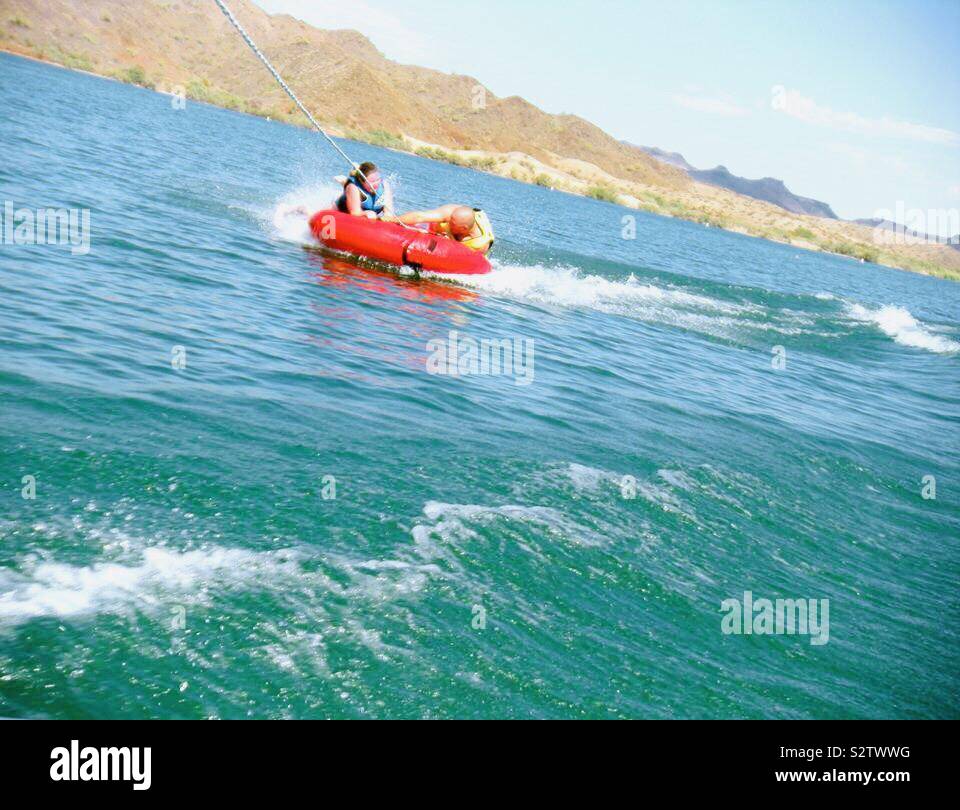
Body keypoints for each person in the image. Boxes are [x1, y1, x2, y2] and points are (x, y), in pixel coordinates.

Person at [398, 205, 494, 254]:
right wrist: (391, 220)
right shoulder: (452, 213)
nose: (448, 222)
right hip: (466, 217)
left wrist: (450, 239)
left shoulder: (479, 245)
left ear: (463, 229)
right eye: (450, 219)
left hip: (471, 245)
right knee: (438, 223)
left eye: (452, 224)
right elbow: (419, 217)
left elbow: (461, 259)